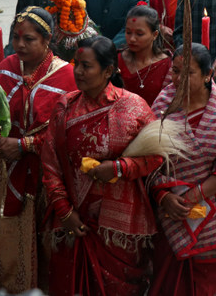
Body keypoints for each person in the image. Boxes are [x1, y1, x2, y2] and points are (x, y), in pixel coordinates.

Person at [41, 35, 163, 296]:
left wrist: (119, 169)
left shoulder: (132, 106)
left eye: (86, 66)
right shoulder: (65, 106)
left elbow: (157, 156)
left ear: (108, 71)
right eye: (76, 64)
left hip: (117, 228)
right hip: (74, 218)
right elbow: (50, 163)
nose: (78, 72)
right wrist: (64, 212)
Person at [0, 7, 76, 293]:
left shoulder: (67, 76)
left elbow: (69, 130)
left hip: (47, 178)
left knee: (49, 243)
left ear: (47, 40)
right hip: (7, 171)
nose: (20, 44)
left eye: (29, 39)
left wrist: (25, 145)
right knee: (8, 237)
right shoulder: (4, 69)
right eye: (16, 37)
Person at [149, 43, 216, 295]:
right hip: (169, 209)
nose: (178, 79)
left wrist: (190, 197)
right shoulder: (163, 102)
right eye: (175, 71)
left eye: (188, 73)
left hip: (211, 214)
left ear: (208, 75)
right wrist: (163, 196)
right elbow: (148, 157)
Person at [118, 5, 172, 105]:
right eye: (128, 32)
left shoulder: (168, 65)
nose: (132, 39)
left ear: (155, 35)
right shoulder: (117, 60)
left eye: (139, 34)